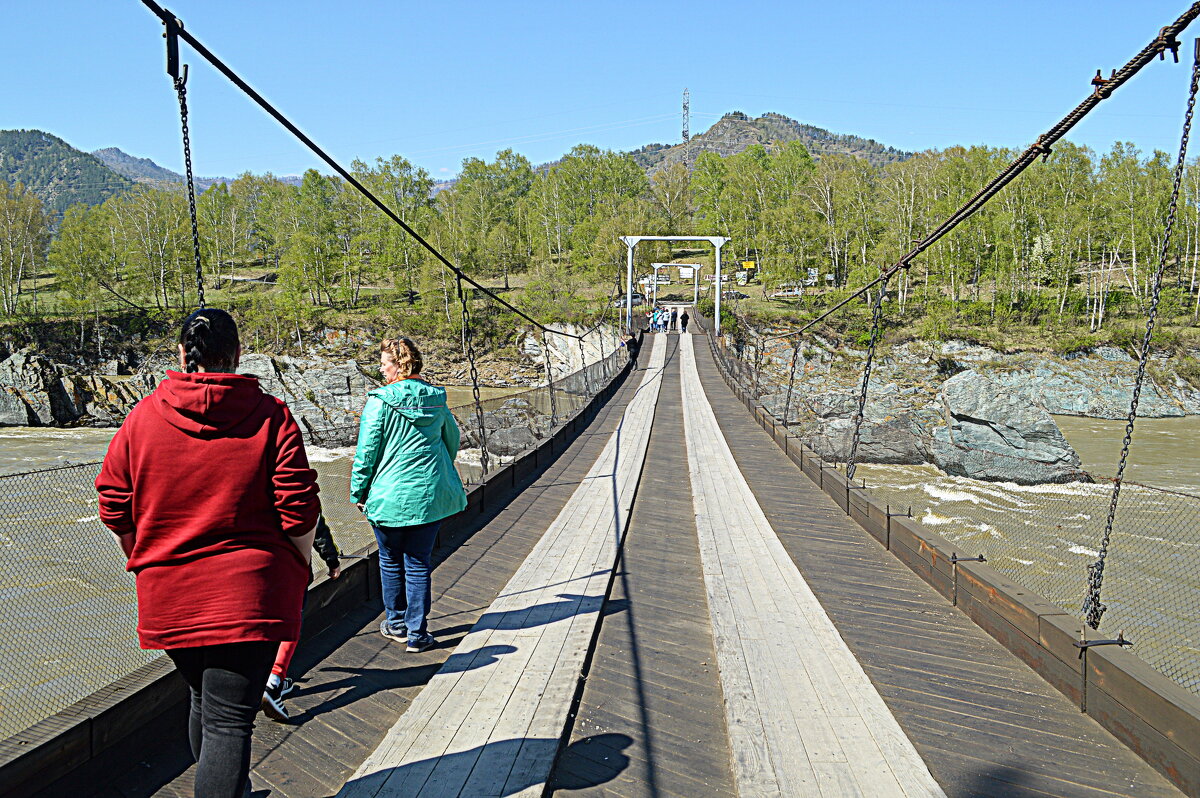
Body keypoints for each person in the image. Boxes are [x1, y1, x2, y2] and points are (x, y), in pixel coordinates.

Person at [96, 308, 320, 798]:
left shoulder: (142, 417)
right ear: (238, 356)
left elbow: (114, 503)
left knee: (204, 700)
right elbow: (299, 509)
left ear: (182, 354)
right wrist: (300, 563)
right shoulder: (272, 416)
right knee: (228, 723)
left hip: (171, 596)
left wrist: (144, 557)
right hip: (249, 597)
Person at [352, 337, 467, 653]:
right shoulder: (437, 398)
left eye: (384, 363)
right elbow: (452, 441)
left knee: (390, 562)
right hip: (429, 498)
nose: (380, 368)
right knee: (418, 563)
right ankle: (418, 634)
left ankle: (396, 624)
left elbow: (366, 454)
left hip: (388, 499)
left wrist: (358, 492)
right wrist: (436, 471)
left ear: (398, 366)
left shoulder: (380, 401)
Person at [261, 515, 342, 723]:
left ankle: (260, 680)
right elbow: (314, 524)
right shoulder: (293, 486)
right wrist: (332, 561)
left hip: (254, 570)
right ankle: (274, 681)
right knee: (290, 623)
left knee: (262, 624)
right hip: (291, 571)